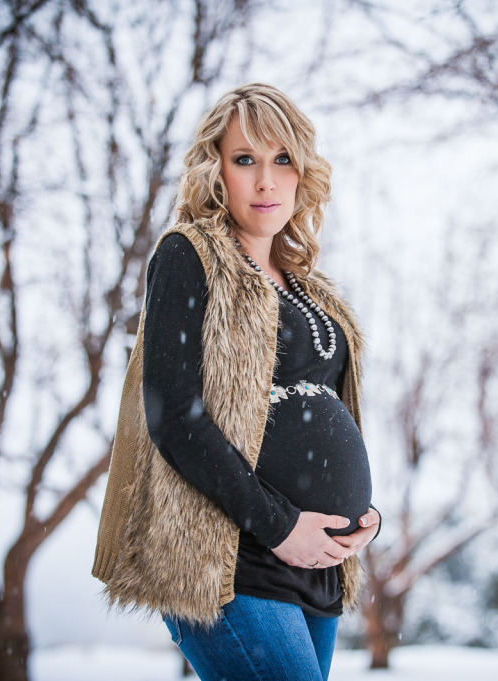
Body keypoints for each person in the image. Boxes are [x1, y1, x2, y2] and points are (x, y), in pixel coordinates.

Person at [92, 83, 380, 681]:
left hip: (317, 565)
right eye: (245, 159)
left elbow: (324, 405)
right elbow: (174, 414)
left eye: (283, 161)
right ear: (216, 170)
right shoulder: (189, 255)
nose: (266, 181)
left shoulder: (308, 284)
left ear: (303, 173)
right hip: (233, 561)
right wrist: (280, 526)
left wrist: (360, 512)